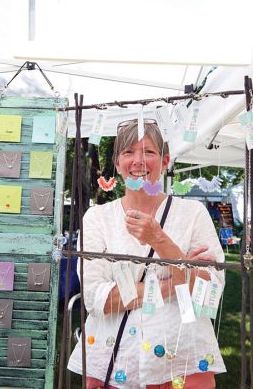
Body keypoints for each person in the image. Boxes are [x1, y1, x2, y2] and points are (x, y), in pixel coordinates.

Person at [68, 118, 226, 389]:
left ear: (165, 162)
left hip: (183, 362)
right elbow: (97, 299)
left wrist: (161, 241)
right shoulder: (97, 218)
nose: (138, 161)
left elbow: (209, 295)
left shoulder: (192, 214)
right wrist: (178, 278)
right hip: (114, 362)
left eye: (149, 152)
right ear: (117, 164)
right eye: (128, 152)